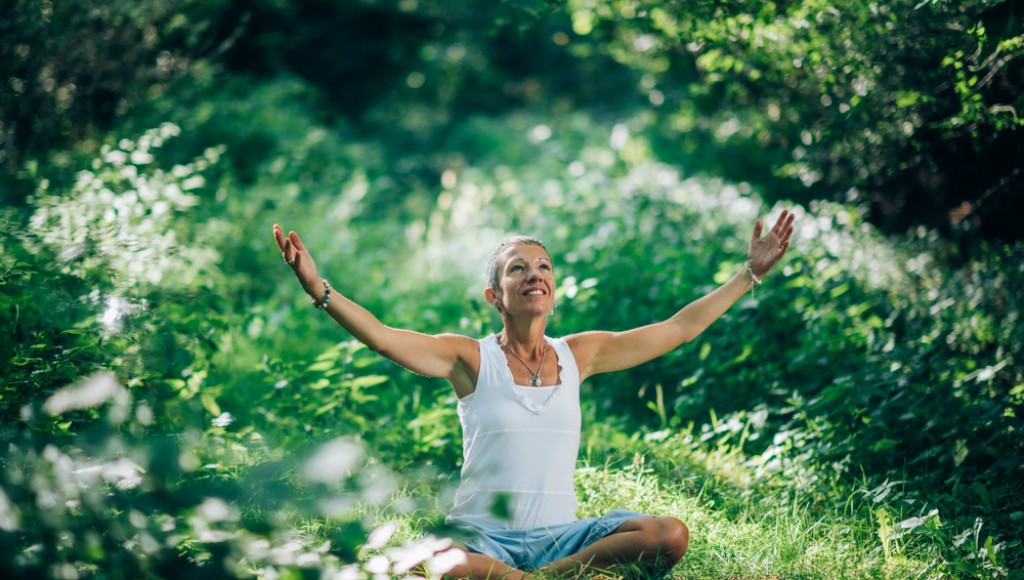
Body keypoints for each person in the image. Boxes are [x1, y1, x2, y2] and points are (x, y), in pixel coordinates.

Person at [273, 210, 795, 579]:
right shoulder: (469, 358)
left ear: (553, 289)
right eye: (517, 268)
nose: (534, 275)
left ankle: (544, 577)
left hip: (559, 540)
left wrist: (748, 274)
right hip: (481, 539)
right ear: (494, 295)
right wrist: (319, 289)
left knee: (669, 535)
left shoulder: (580, 354)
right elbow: (385, 337)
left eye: (543, 267)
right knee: (418, 562)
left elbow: (678, 328)